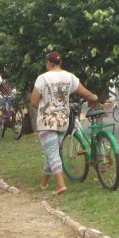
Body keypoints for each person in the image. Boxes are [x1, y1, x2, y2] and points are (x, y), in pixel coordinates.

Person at [29, 51, 99, 195]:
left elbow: (34, 101)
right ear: (60, 63)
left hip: (47, 122)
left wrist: (46, 109)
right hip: (62, 122)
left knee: (53, 153)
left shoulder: (42, 78)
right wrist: (94, 97)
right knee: (52, 152)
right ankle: (44, 183)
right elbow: (85, 93)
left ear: (49, 63)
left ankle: (61, 185)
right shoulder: (70, 77)